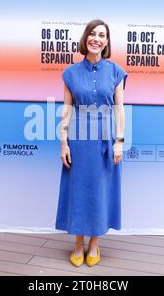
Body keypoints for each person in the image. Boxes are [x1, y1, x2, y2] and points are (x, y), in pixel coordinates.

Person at [55, 19, 127, 267]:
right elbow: (66, 110)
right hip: (78, 138)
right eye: (93, 34)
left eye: (102, 35)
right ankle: (77, 243)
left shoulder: (116, 71)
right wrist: (63, 143)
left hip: (105, 138)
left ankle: (94, 244)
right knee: (79, 189)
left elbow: (119, 109)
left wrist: (120, 141)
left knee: (100, 189)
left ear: (107, 42)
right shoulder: (70, 73)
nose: (97, 38)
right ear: (86, 38)